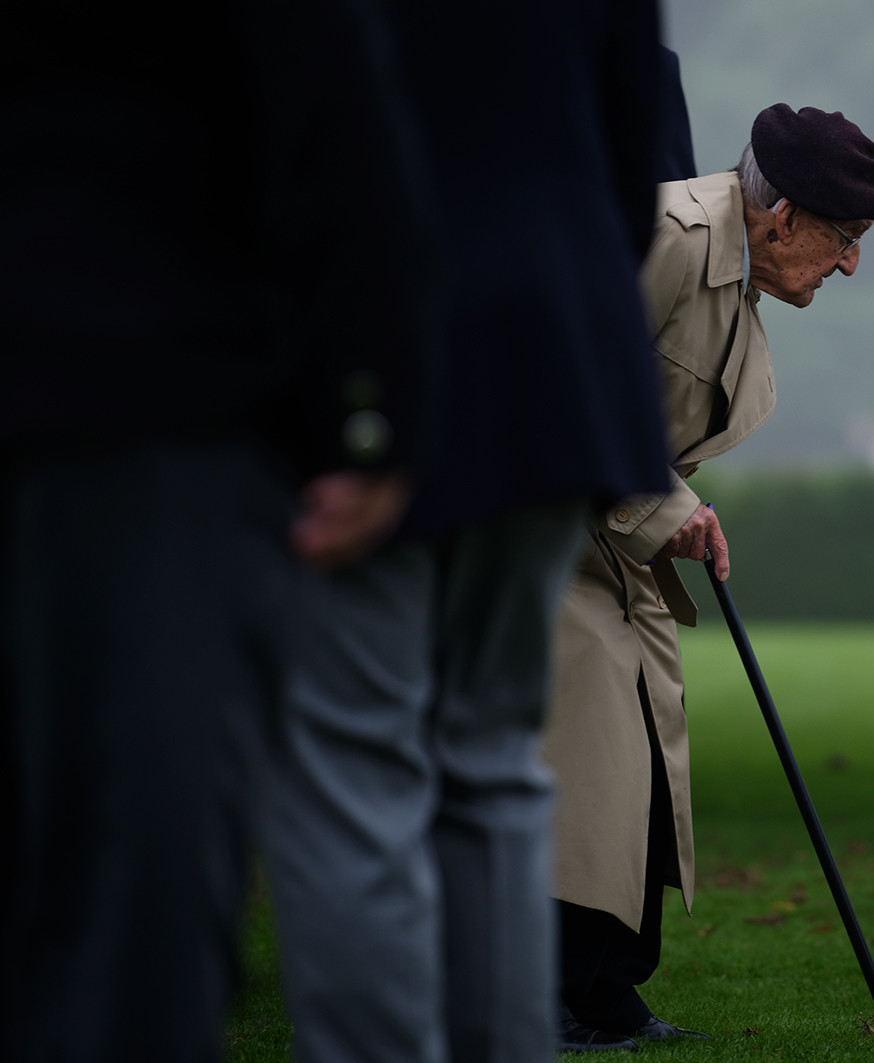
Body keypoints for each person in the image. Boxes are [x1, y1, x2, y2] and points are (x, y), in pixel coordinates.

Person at [0, 2, 432, 1060]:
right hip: (152, 403)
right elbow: (331, 111)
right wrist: (375, 412)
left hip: (120, 381)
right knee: (133, 871)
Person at [257, 4, 671, 1062]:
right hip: (553, 348)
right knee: (489, 756)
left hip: (374, 328)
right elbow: (635, 159)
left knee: (356, 764)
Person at [545, 103, 874, 1051]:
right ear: (781, 216)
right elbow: (569, 383)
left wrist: (667, 511)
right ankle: (564, 995)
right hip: (541, 543)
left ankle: (603, 993)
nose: (852, 264)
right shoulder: (663, 235)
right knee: (590, 777)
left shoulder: (737, 269)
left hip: (611, 545)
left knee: (642, 782)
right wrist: (673, 508)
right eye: (847, 238)